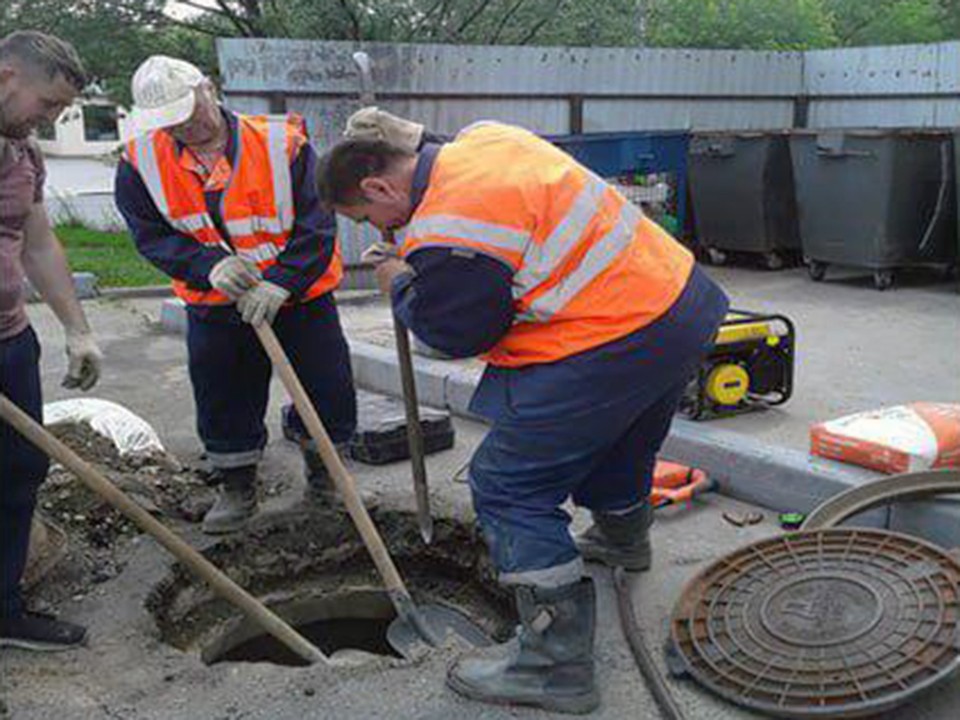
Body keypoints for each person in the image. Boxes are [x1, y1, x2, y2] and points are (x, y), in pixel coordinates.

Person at [320, 111, 730, 714]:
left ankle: (555, 666)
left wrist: (399, 283)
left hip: (615, 332)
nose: (375, 230)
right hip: (681, 302)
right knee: (621, 437)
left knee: (508, 485)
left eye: (365, 218)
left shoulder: (446, 229)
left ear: (380, 187)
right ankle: (623, 540)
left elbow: (458, 330)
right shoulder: (484, 139)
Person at [115, 56, 356, 534]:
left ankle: (327, 479)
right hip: (215, 307)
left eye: (189, 111)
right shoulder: (139, 162)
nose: (183, 126)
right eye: (170, 122)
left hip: (300, 299)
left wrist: (283, 281)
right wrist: (208, 266)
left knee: (325, 387)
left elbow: (317, 221)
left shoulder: (281, 143)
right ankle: (237, 486)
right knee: (223, 393)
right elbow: (151, 236)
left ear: (209, 89)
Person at [0, 30, 103, 650]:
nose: (51, 119)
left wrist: (78, 328)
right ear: (7, 77)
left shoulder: (23, 155)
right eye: (47, 105)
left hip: (11, 342)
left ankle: (4, 609)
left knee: (19, 472)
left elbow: (38, 245)